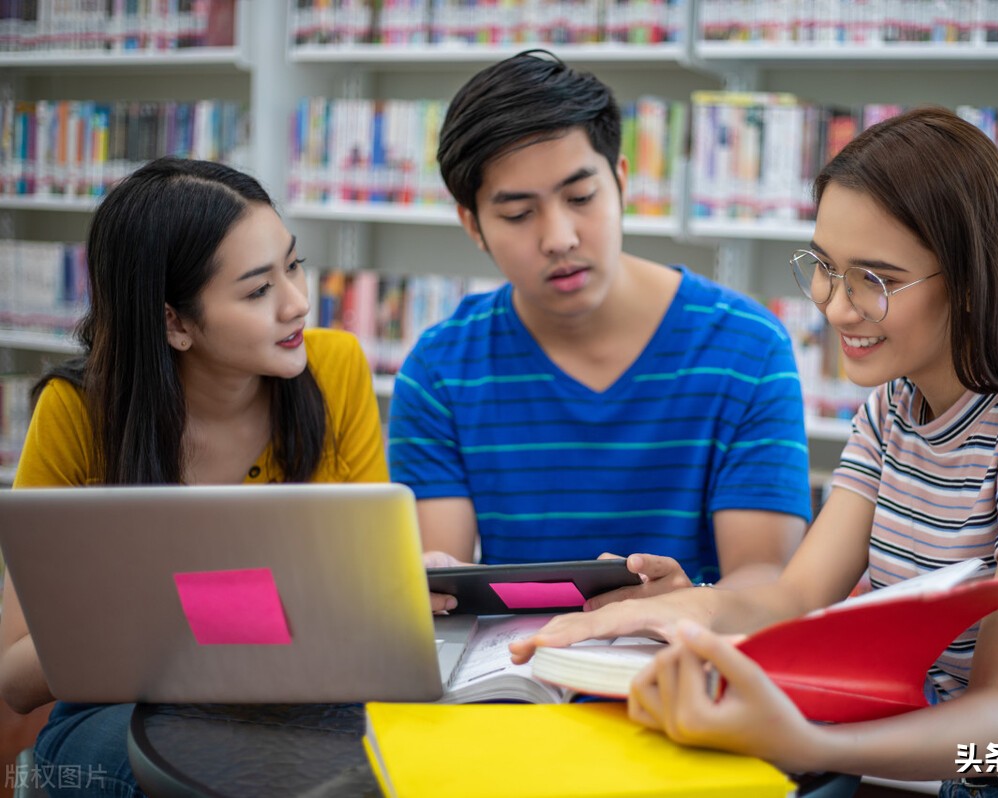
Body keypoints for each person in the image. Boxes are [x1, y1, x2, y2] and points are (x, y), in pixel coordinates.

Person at [511, 106, 998, 796]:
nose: (836, 308)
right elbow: (796, 597)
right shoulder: (893, 410)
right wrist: (680, 608)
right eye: (826, 268)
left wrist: (805, 743)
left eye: (876, 279)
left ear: (969, 282)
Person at [0, 157, 388, 798]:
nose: (298, 302)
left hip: (307, 696)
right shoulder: (77, 414)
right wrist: (181, 608)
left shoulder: (336, 368)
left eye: (294, 264)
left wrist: (396, 583)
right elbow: (15, 678)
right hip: (126, 708)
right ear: (174, 322)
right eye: (258, 290)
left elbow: (365, 585)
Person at [388, 50, 813, 610]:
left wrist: (686, 604)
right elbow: (445, 577)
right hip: (517, 660)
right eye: (518, 214)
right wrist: (427, 578)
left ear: (621, 182)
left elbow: (764, 577)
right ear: (473, 224)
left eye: (581, 197)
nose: (559, 237)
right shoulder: (439, 370)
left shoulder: (748, 348)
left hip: (687, 654)